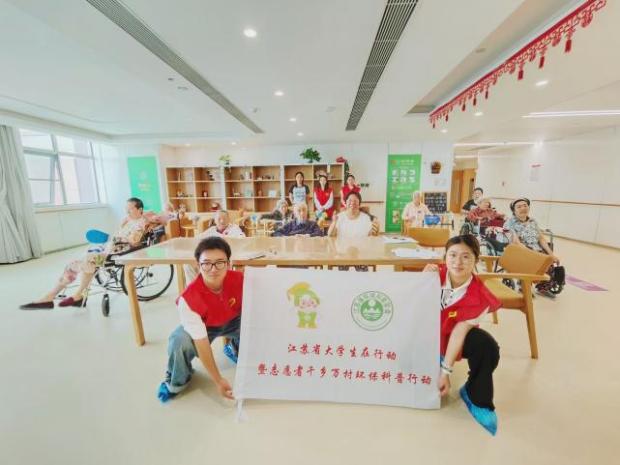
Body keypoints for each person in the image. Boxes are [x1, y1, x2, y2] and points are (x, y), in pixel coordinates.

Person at [423, 235, 501, 435]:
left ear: (476, 260)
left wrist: (445, 372)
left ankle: (475, 395)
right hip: (425, 335)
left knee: (487, 347)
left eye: (466, 256)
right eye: (453, 255)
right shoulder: (433, 276)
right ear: (445, 257)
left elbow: (459, 333)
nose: (458, 262)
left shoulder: (480, 295)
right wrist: (422, 280)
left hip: (451, 338)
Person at [20, 197, 147, 310]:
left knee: (88, 260)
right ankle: (51, 295)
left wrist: (117, 239)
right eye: (126, 209)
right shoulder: (127, 220)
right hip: (108, 249)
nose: (127, 212)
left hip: (118, 253)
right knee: (74, 263)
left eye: (130, 209)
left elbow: (134, 241)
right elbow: (116, 235)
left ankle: (78, 295)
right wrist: (117, 233)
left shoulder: (141, 223)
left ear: (139, 209)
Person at [158, 237, 242, 403]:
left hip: (234, 321)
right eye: (206, 263)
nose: (213, 269)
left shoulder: (240, 280)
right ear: (198, 265)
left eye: (220, 262)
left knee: (258, 323)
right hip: (206, 327)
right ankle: (177, 381)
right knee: (179, 341)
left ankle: (235, 348)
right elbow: (201, 342)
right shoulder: (188, 298)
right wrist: (218, 380)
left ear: (228, 263)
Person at [505, 198, 560, 298]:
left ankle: (543, 286)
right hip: (521, 250)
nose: (523, 208)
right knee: (532, 262)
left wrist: (551, 255)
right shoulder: (510, 222)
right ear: (514, 210)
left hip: (536, 249)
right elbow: (516, 241)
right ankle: (523, 286)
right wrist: (532, 254)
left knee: (549, 261)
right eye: (519, 207)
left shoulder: (533, 221)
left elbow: (541, 239)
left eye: (525, 205)